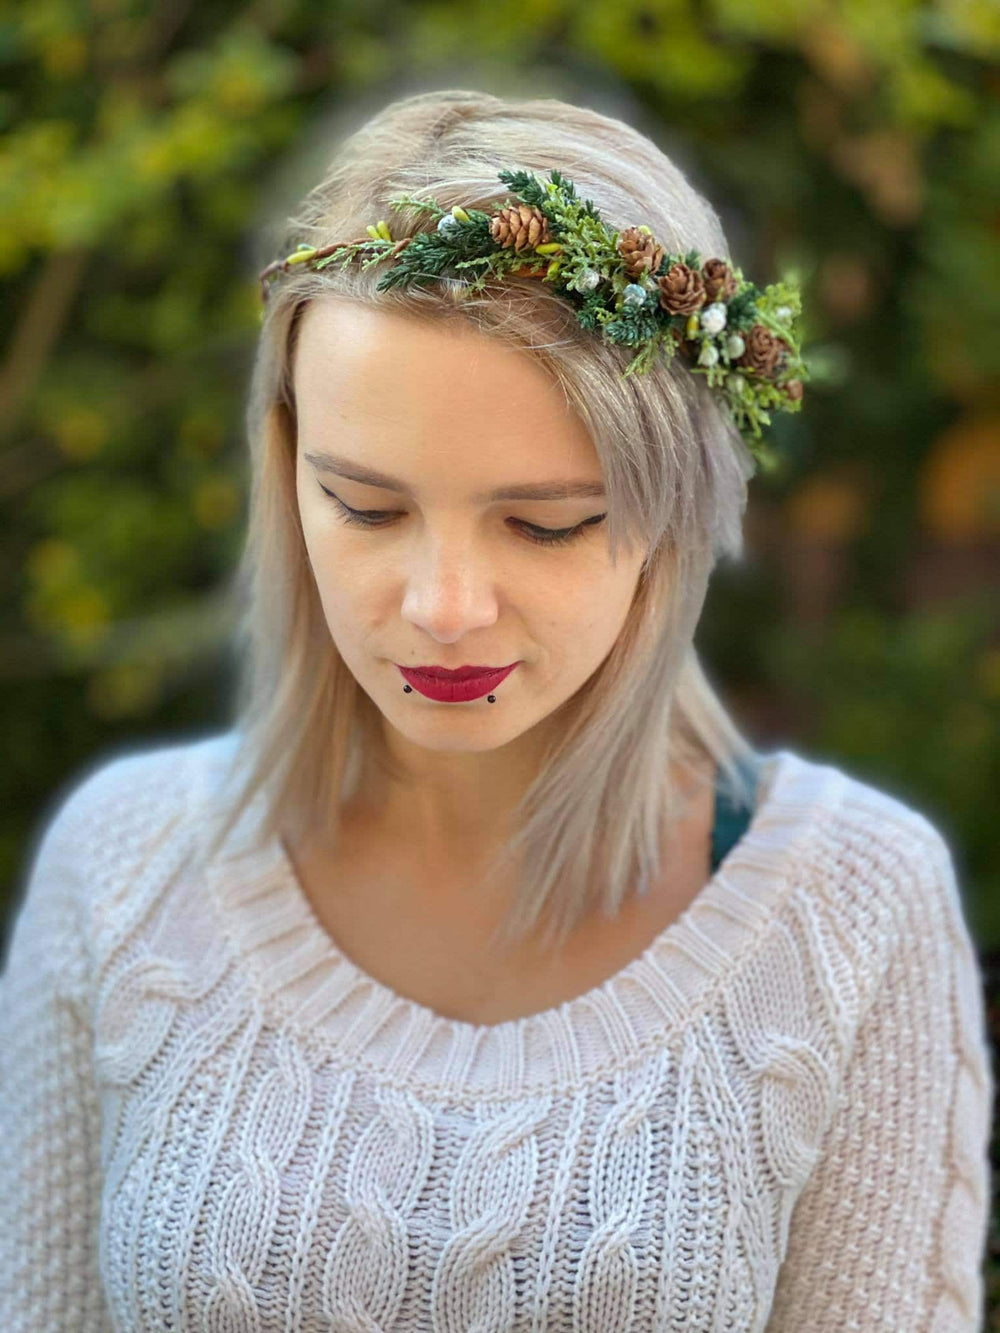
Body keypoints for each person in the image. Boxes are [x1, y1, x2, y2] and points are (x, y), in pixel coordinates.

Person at [0, 89, 992, 1332]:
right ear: (284, 463)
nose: (444, 605)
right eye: (366, 507)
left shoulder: (852, 909)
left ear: (672, 515)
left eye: (547, 523)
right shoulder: (124, 863)